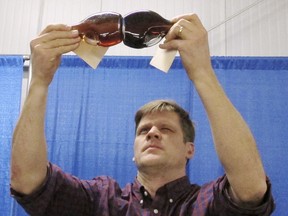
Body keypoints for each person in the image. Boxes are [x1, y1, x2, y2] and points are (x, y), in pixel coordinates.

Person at [10, 13, 275, 215]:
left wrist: (203, 73)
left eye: (167, 129)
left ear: (189, 149)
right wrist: (39, 82)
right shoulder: (100, 201)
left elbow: (251, 187)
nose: (153, 133)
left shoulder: (205, 204)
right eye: (143, 131)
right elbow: (27, 181)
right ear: (133, 150)